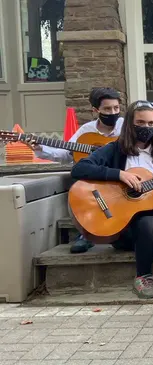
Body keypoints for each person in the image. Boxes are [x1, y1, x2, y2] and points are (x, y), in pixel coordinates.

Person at [70, 100, 153, 299]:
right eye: (140, 123)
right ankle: (143, 277)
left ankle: (150, 243)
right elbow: (79, 168)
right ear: (129, 125)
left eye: (151, 124)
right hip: (121, 222)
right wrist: (118, 174)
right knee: (152, 225)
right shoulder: (114, 150)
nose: (146, 128)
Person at [26, 87, 123, 254]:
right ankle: (86, 234)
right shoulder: (86, 131)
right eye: (107, 109)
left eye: (116, 108)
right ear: (95, 110)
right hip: (97, 178)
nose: (113, 112)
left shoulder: (125, 125)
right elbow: (65, 153)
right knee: (79, 186)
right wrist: (40, 148)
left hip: (122, 174)